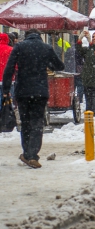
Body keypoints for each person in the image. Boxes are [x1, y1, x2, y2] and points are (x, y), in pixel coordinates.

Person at [2, 29, 65, 169]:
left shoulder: (19, 47)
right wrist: (47, 64)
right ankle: (32, 154)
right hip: (40, 91)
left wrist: (6, 89)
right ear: (40, 36)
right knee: (37, 122)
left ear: (26, 36)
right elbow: (60, 66)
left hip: (23, 91)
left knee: (25, 122)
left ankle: (27, 153)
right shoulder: (46, 48)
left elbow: (9, 68)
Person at [0, 33, 13, 110]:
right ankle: (6, 115)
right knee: (8, 99)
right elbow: (16, 65)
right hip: (8, 79)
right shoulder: (10, 49)